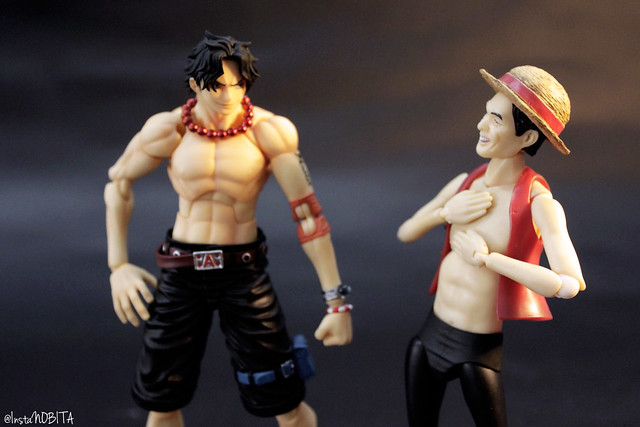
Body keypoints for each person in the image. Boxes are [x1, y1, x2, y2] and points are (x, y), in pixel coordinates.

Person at [105, 32, 352, 427]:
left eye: (238, 84)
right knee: (162, 399)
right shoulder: (169, 129)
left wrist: (336, 302)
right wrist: (118, 265)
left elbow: (308, 216)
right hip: (182, 272)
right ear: (195, 84)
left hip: (243, 272)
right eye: (217, 85)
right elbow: (118, 184)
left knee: (284, 396)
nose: (228, 95)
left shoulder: (269, 132)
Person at [397, 65, 585, 426]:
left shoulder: (539, 204)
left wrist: (488, 259)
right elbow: (406, 232)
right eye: (486, 113)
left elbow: (567, 284)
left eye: (495, 120)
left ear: (527, 137)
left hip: (477, 347)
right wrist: (445, 212)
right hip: (430, 334)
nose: (481, 125)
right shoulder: (465, 183)